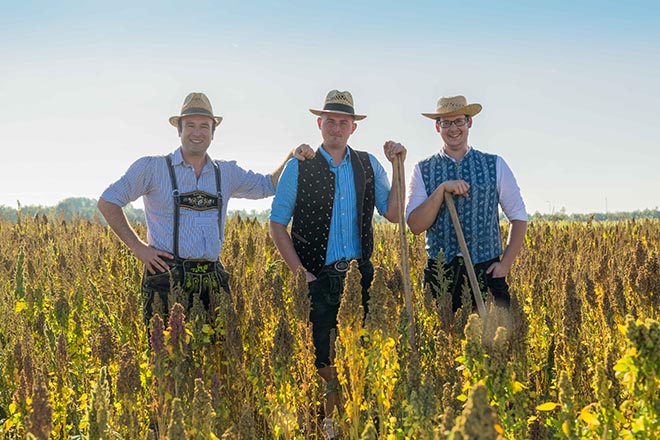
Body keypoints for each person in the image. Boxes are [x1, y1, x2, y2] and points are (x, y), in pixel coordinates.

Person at [98, 92, 313, 325]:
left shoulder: (226, 173)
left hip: (212, 277)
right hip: (166, 277)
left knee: (219, 356)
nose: (197, 132)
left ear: (213, 132)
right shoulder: (152, 168)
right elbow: (108, 201)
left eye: (204, 126)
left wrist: (292, 156)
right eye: (190, 125)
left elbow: (267, 185)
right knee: (167, 358)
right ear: (178, 130)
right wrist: (138, 248)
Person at [269, 89, 406, 438]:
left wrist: (398, 165)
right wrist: (304, 275)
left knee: (361, 354)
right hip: (320, 278)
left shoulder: (368, 164)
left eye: (343, 122)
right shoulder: (298, 167)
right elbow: (276, 224)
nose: (336, 127)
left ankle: (357, 423)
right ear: (319, 123)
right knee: (324, 362)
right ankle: (330, 427)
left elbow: (392, 213)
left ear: (353, 128)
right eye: (330, 120)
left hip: (360, 277)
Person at [406, 95, 528, 312]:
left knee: (493, 343)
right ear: (437, 127)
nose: (453, 129)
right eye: (446, 122)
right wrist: (442, 189)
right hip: (441, 272)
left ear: (469, 122)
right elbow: (415, 225)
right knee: (443, 340)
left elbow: (518, 217)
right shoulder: (422, 169)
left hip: (485, 269)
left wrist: (505, 264)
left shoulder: (494, 164)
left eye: (459, 121)